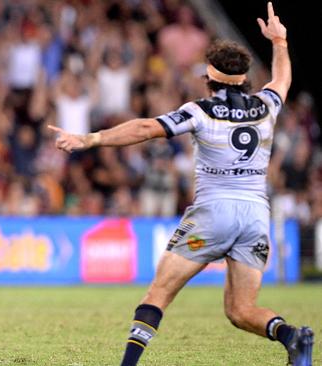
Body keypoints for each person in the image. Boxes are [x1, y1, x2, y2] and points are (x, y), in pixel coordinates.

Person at [49, 3, 314, 366]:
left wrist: (91, 139)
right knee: (240, 309)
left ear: (210, 75)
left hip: (213, 213)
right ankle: (292, 336)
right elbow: (282, 81)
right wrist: (280, 42)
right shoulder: (266, 105)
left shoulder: (200, 111)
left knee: (158, 292)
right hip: (255, 215)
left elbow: (145, 128)